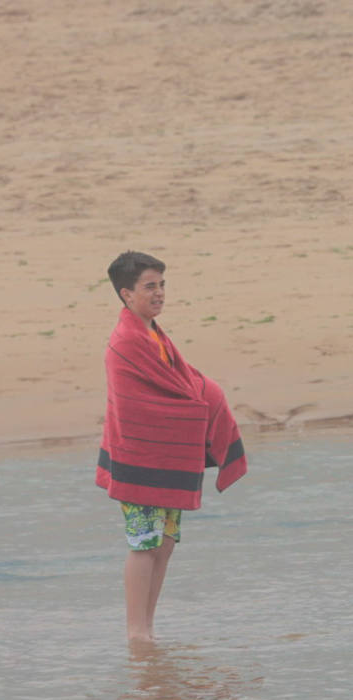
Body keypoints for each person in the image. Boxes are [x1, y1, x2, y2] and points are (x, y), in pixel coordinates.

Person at [97, 251, 247, 644]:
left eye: (162, 285)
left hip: (163, 459)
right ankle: (136, 634)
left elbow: (182, 381)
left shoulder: (153, 333)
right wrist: (201, 402)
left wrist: (207, 396)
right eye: (150, 287)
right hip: (137, 458)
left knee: (164, 543)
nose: (159, 293)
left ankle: (148, 628)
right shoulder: (126, 341)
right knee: (142, 543)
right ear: (127, 295)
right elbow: (144, 403)